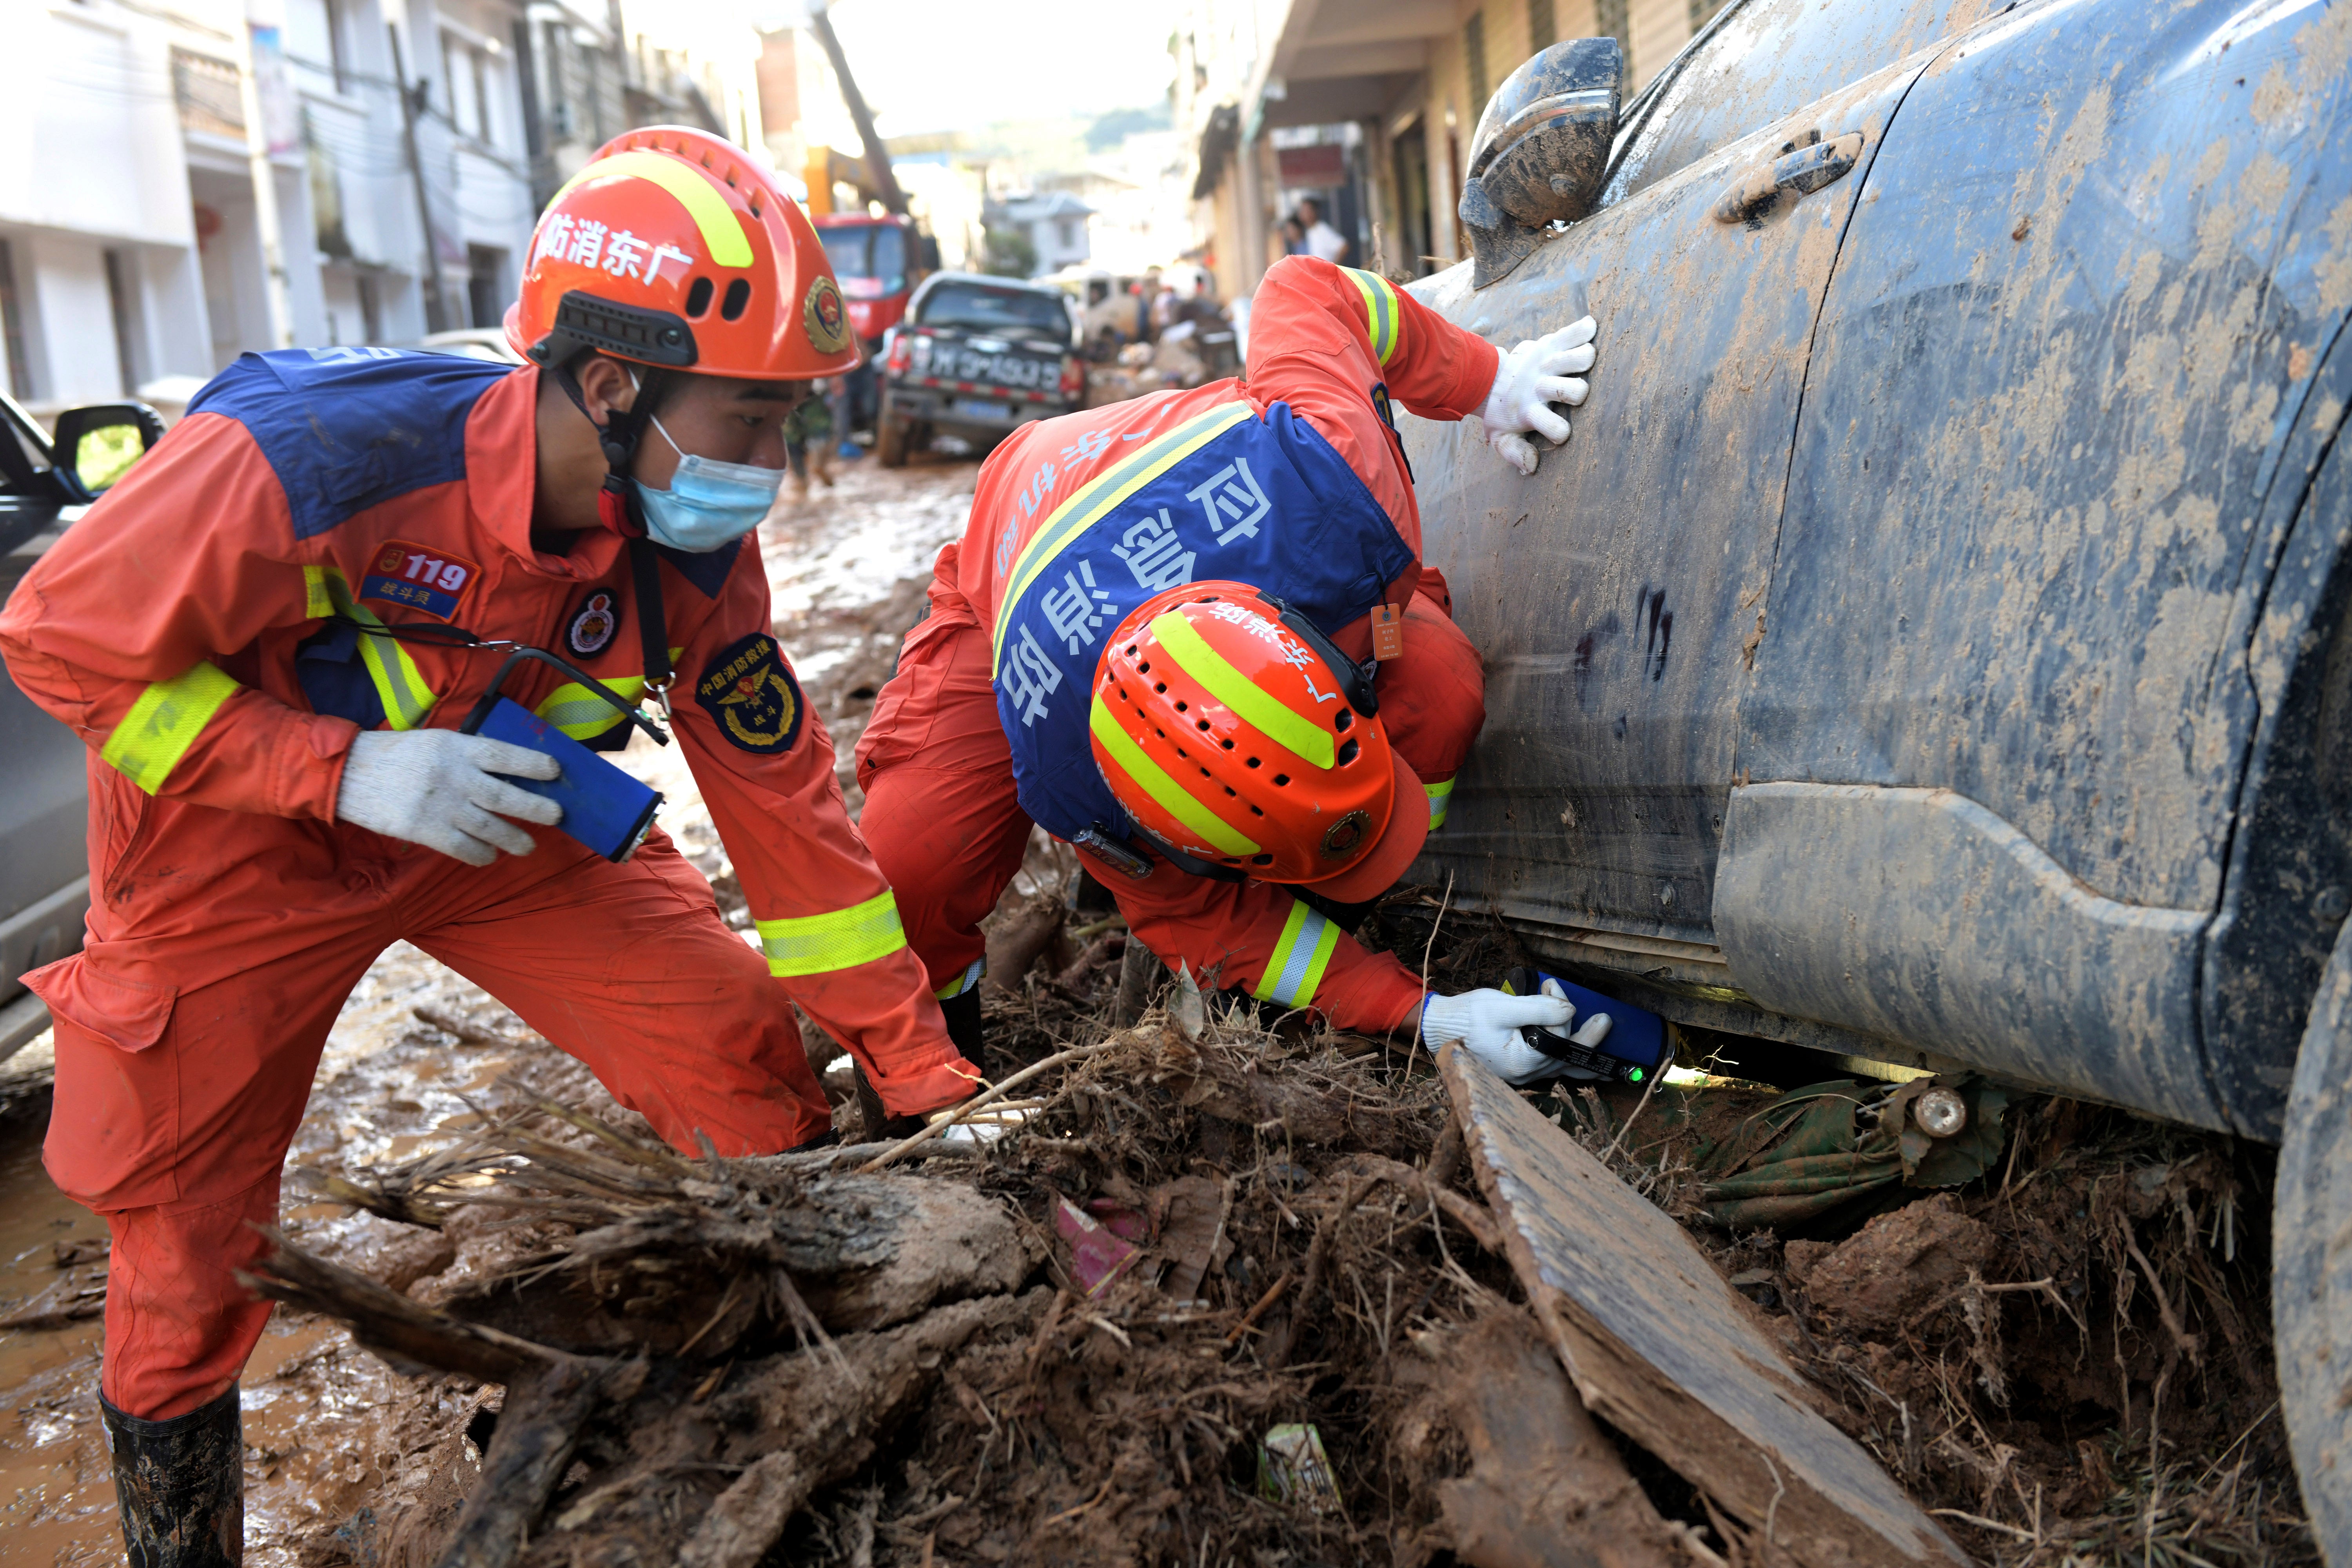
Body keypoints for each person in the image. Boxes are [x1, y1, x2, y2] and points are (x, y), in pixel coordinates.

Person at [0, 125, 980, 1563]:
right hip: (234, 853)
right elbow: (54, 642)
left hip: (498, 817)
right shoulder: (308, 460)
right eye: (752, 420)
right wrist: (333, 765)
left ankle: (760, 1407)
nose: (778, 463)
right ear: (609, 379)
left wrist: (928, 1079)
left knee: (745, 1063)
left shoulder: (693, 545)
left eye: (789, 420)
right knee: (189, 1254)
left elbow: (787, 814)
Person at [853, 253, 1599, 1076]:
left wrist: (1486, 381)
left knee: (1441, 687)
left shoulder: (1337, 476)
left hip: (1216, 500)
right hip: (1008, 567)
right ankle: (929, 1076)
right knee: (910, 865)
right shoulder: (1077, 776)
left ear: (1329, 667)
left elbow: (1307, 288)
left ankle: (1353, 891)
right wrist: (1421, 1012)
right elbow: (1216, 925)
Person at [1298, 198, 1349, 265]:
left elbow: (1344, 247)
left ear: (1315, 212)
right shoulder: (1309, 231)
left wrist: (1332, 268)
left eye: (1307, 211)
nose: (1303, 214)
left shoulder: (1322, 230)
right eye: (1302, 211)